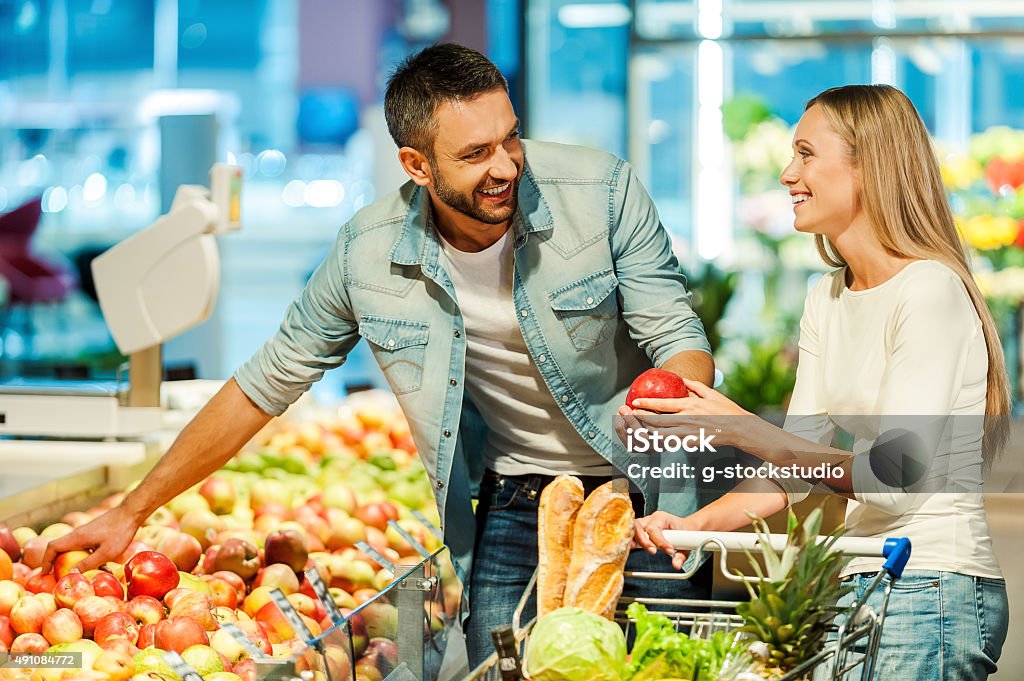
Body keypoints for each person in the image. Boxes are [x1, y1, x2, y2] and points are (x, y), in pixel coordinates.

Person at [43, 43, 715, 665]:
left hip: (646, 490)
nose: (507, 165)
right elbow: (264, 383)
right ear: (416, 165)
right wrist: (132, 510)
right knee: (502, 671)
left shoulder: (600, 191)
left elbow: (679, 336)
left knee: (661, 666)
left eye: (512, 137)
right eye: (476, 152)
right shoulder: (367, 253)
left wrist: (670, 414)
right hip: (517, 500)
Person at [626, 84, 1010, 680]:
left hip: (931, 586)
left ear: (870, 166)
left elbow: (890, 481)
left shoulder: (929, 290)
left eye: (806, 153)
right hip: (861, 577)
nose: (787, 173)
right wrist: (693, 527)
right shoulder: (827, 297)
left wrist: (741, 429)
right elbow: (792, 473)